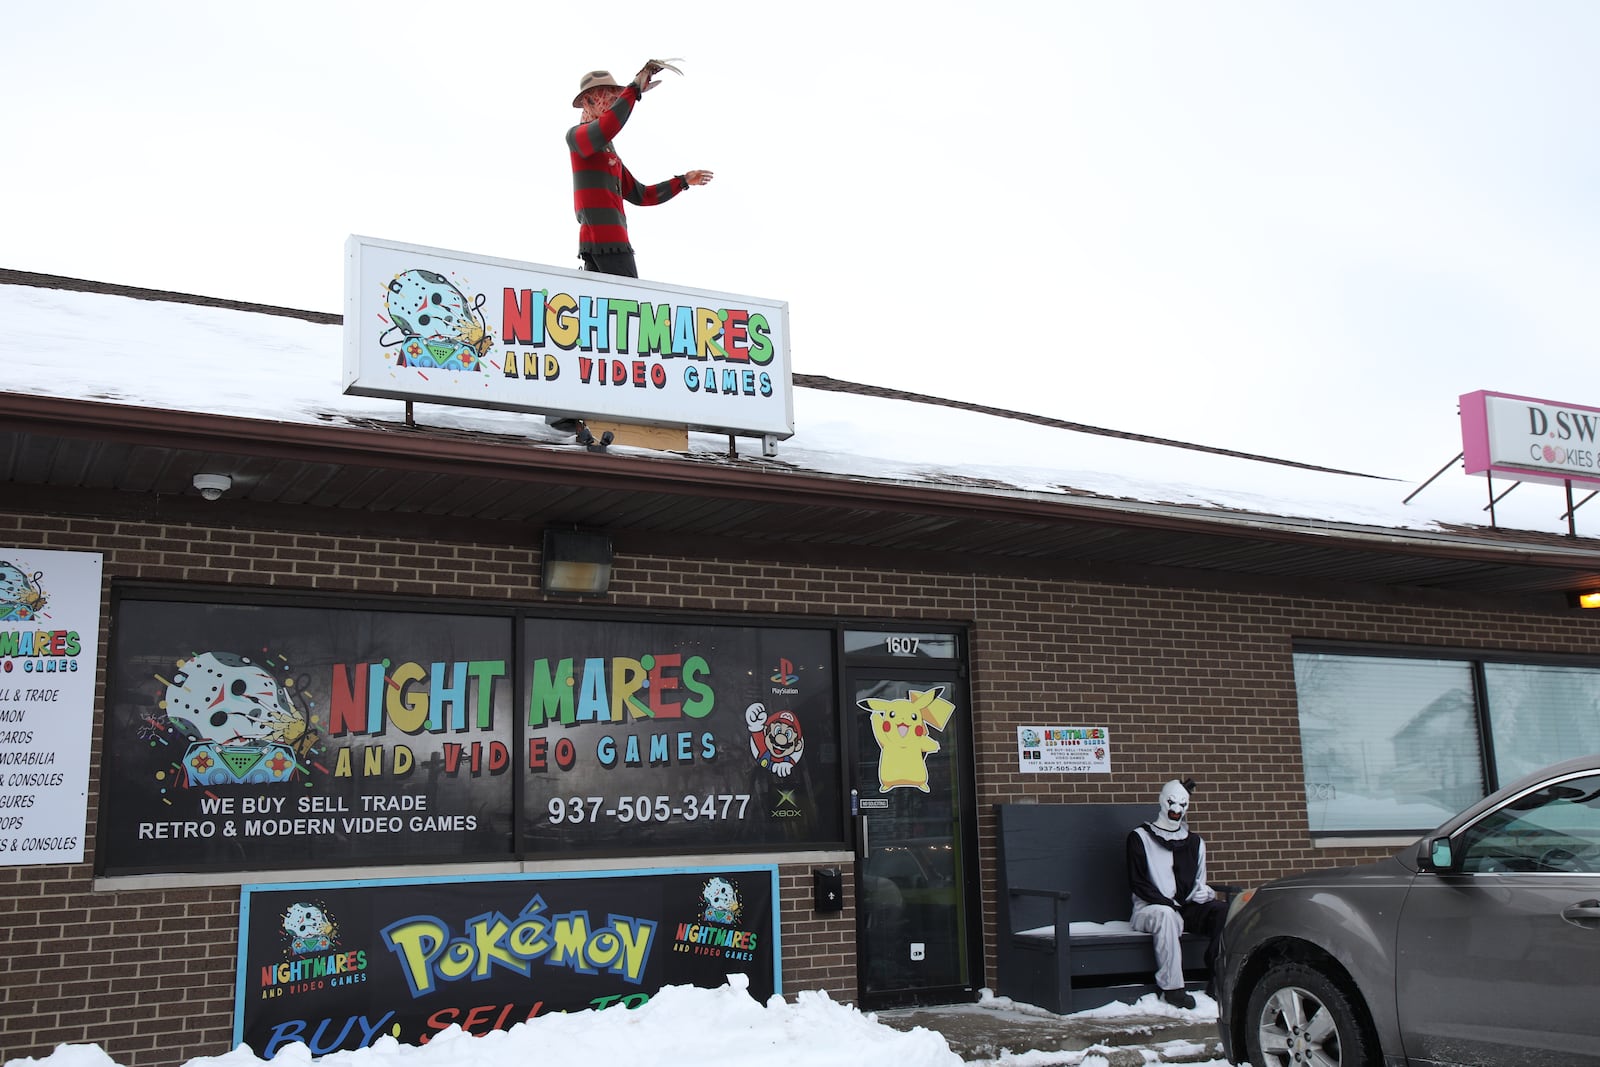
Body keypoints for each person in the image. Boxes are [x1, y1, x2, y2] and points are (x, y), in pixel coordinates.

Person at [567, 63, 714, 278]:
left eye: (616, 97)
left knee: (607, 300)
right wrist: (634, 88)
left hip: (608, 242)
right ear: (587, 101)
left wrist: (682, 181)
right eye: (608, 97)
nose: (613, 102)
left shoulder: (607, 153)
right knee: (628, 296)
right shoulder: (576, 136)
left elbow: (642, 195)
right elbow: (608, 126)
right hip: (606, 243)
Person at [1126, 777, 1228, 1009]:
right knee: (1166, 915)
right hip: (1149, 909)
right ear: (1162, 800)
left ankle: (1217, 978)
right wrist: (1168, 905)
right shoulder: (1140, 837)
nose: (1176, 809)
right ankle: (1172, 988)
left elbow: (1199, 882)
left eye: (1183, 804)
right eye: (1172, 802)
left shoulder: (1195, 843)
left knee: (1223, 911)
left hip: (1185, 909)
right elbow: (1138, 883)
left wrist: (1203, 893)